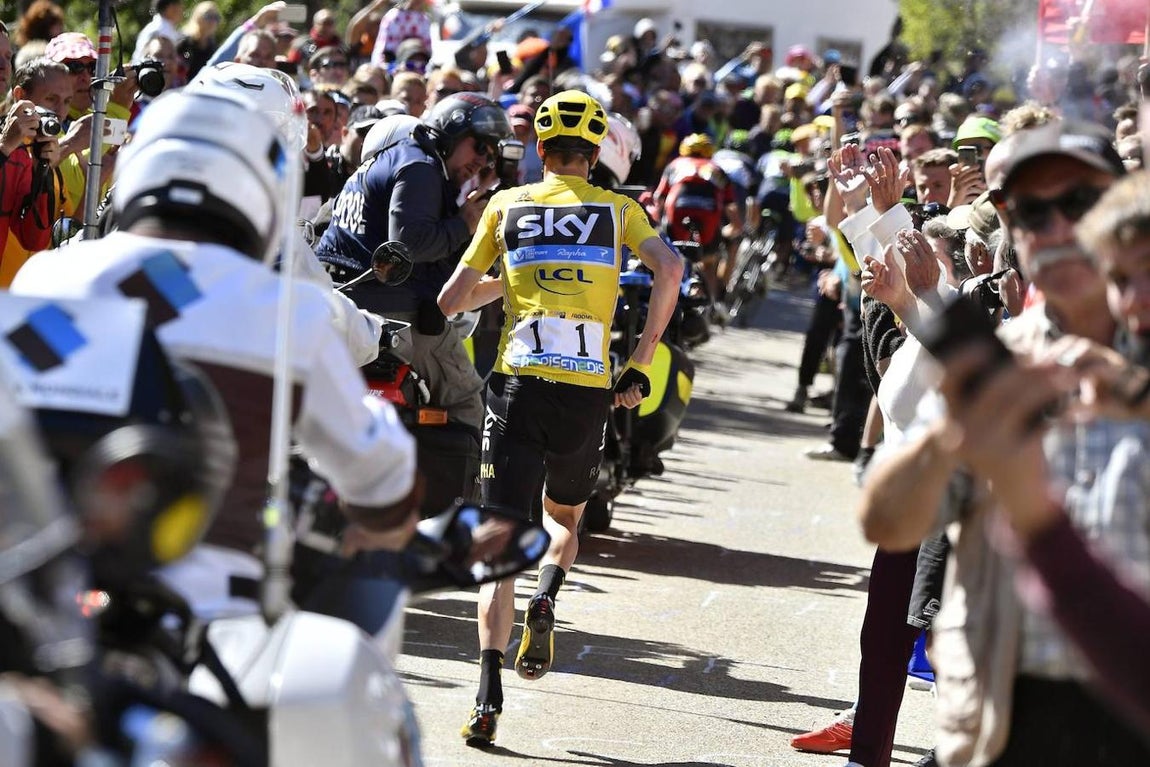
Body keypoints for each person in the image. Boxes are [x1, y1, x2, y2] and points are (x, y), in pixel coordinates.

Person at [11, 87, 420, 619]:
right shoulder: (285, 308)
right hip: (213, 617)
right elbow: (379, 479)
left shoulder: (51, 276)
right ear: (263, 189)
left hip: (43, 605)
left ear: (137, 166)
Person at [856, 119, 1141, 767]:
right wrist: (959, 430)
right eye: (1032, 212)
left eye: (1081, 203)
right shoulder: (1006, 350)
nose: (1057, 229)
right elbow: (887, 516)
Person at [437, 89, 683, 748]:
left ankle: (487, 693)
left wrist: (508, 279)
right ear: (595, 154)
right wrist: (640, 358)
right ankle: (548, 595)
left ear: (540, 151)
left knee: (499, 543)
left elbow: (451, 299)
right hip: (585, 391)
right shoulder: (619, 209)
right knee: (564, 518)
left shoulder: (506, 205)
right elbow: (671, 267)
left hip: (517, 386)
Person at [314, 92, 511, 441]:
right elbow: (409, 243)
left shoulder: (382, 166)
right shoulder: (420, 167)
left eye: (492, 154)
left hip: (338, 312)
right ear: (450, 131)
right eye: (480, 146)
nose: (484, 160)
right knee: (468, 405)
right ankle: (452, 497)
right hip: (394, 321)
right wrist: (464, 225)